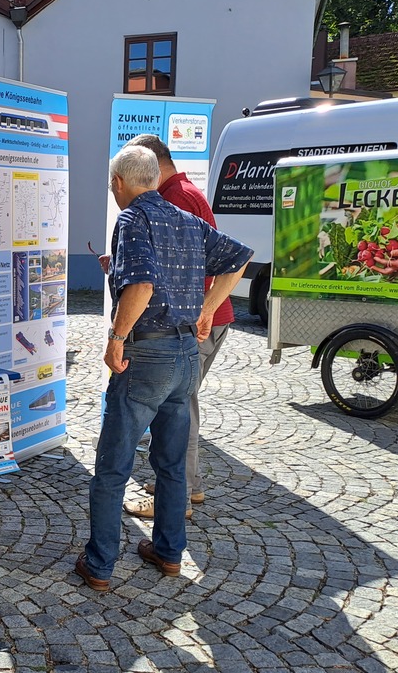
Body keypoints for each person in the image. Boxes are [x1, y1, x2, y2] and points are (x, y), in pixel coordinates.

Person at [76, 145, 251, 590]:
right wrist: (208, 310)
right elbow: (239, 258)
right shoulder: (186, 218)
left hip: (146, 355)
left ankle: (99, 565)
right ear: (154, 178)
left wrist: (116, 339)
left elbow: (142, 284)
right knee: (172, 463)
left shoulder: (132, 218)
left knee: (113, 465)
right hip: (185, 355)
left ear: (119, 183)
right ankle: (169, 553)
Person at [118, 133, 236, 518]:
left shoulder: (177, 197)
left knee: (178, 409)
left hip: (190, 326)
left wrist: (206, 309)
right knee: (179, 405)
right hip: (195, 321)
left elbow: (223, 262)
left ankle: (179, 495)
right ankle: (183, 486)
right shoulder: (180, 192)